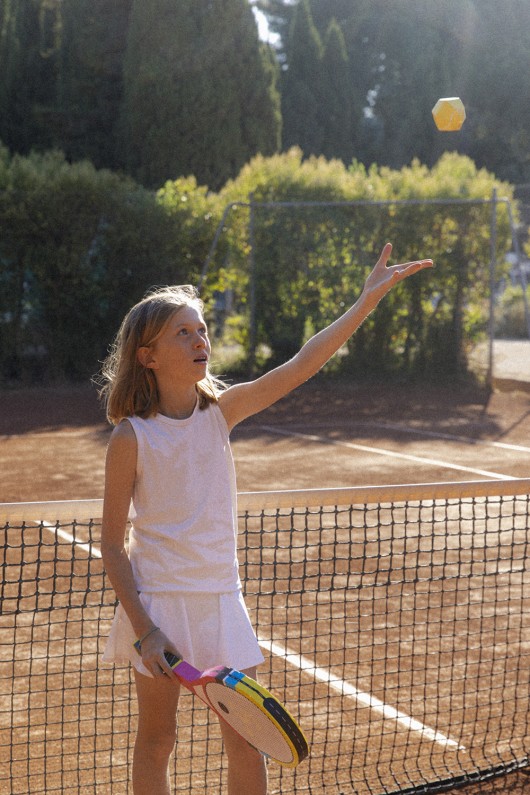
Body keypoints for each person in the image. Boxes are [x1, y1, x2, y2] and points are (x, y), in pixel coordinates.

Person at [98, 242, 433, 795]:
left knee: (246, 741)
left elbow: (303, 364)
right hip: (158, 604)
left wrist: (366, 301)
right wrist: (146, 630)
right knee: (157, 740)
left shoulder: (221, 413)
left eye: (201, 330)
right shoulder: (130, 437)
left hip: (221, 601)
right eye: (182, 332)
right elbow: (113, 545)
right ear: (147, 355)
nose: (199, 339)